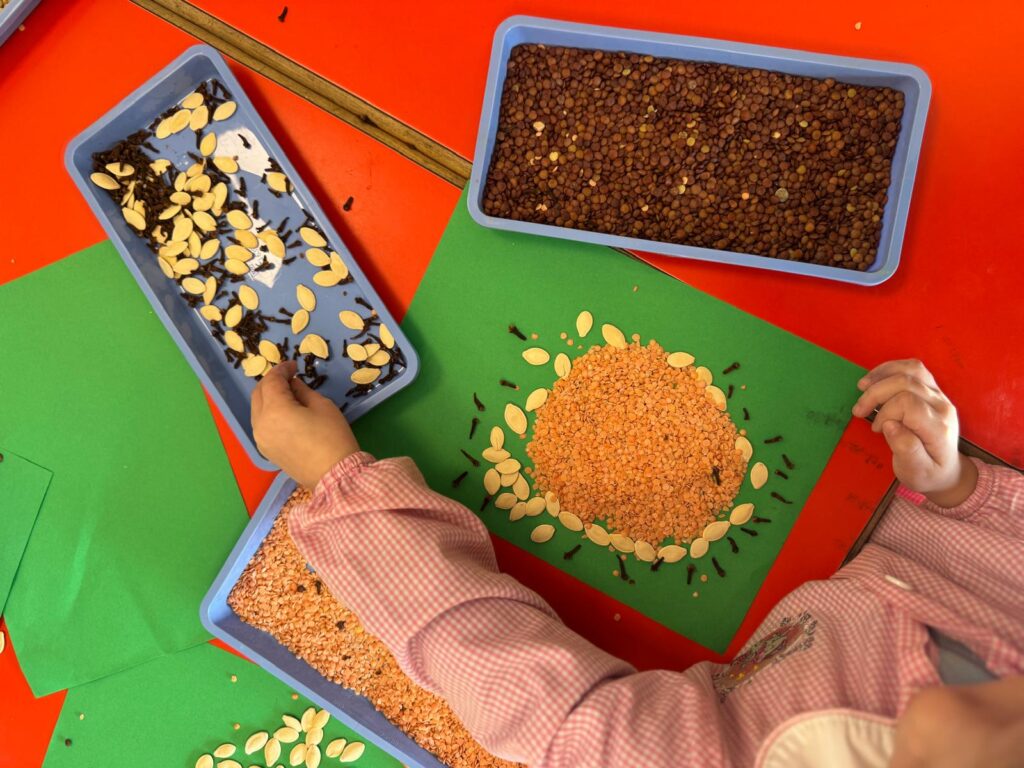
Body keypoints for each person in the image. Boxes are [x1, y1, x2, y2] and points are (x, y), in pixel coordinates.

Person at [251, 358, 1023, 767]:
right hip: (874, 518)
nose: (943, 706)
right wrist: (954, 488)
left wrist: (341, 484)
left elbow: (529, 695)